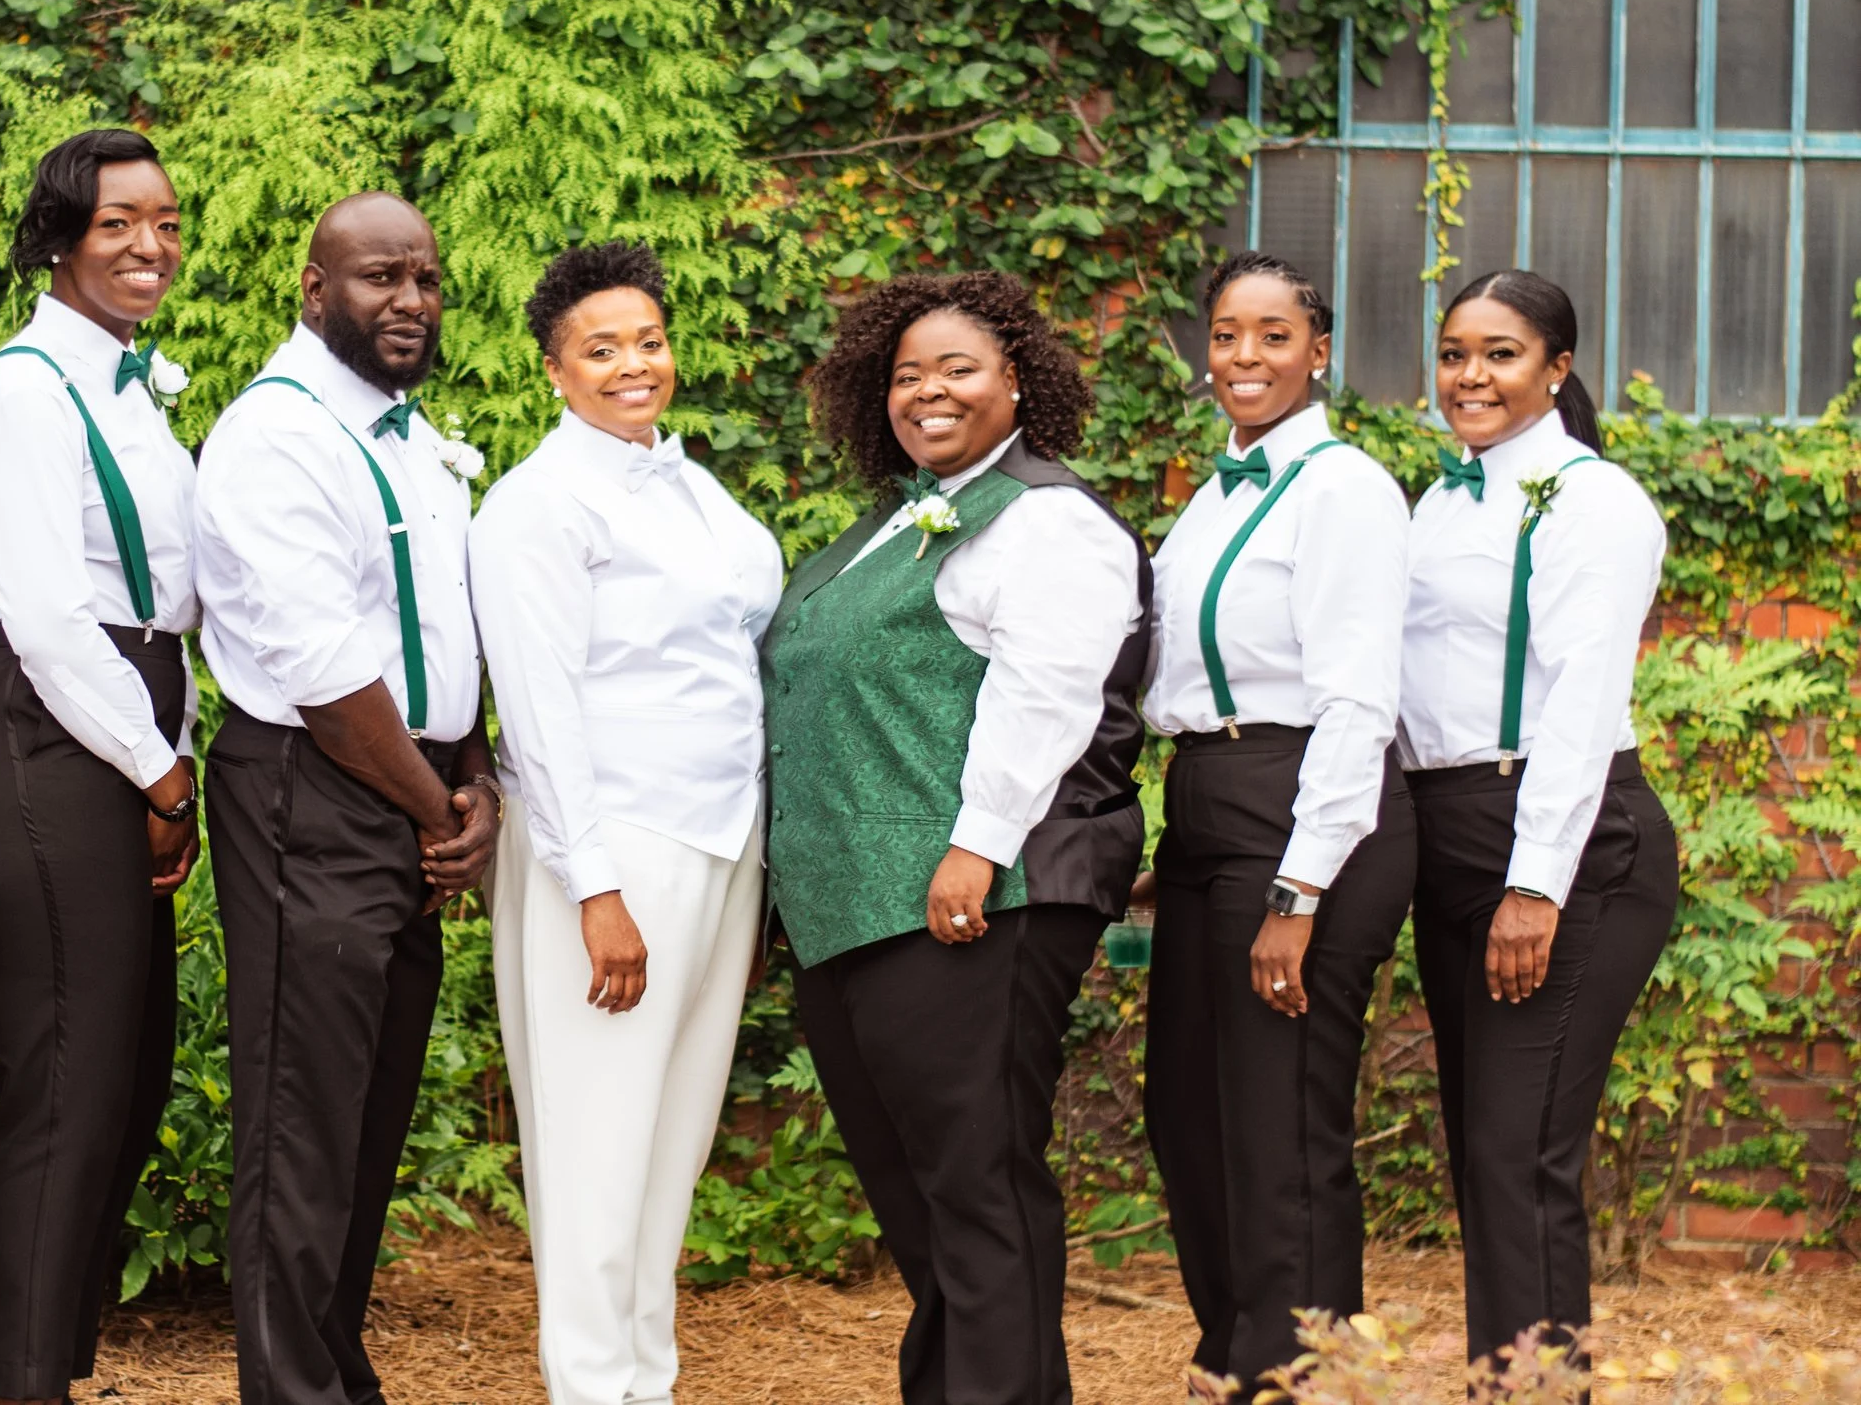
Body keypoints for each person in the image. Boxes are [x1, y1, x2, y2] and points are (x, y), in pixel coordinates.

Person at [762, 271, 1151, 1405]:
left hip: (970, 899)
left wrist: (975, 845)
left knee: (977, 1187)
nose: (926, 391)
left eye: (957, 368)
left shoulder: (1048, 517)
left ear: (1017, 378)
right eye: (904, 374)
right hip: (855, 905)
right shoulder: (894, 518)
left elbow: (1046, 690)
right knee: (918, 1192)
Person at [0, 130, 201, 1404]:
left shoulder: (129, 389)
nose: (149, 246)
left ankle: (50, 1366)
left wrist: (165, 758)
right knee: (70, 1074)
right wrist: (161, 771)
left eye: (166, 222)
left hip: (118, 734)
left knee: (125, 1081)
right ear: (61, 236)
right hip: (37, 732)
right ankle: (21, 1382)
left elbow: (173, 601)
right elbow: (46, 611)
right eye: (118, 223)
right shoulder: (22, 390)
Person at [193, 190, 499, 1405]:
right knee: (301, 1113)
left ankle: (332, 1365)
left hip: (409, 790)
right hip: (310, 793)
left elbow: (441, 634)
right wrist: (440, 809)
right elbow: (326, 672)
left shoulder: (405, 434)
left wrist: (470, 781)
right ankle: (290, 1386)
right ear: (315, 290)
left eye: (423, 276)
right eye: (380, 277)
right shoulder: (277, 434)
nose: (410, 300)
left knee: (367, 1109)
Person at [470, 242, 783, 1405]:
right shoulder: (538, 504)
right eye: (601, 349)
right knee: (598, 1143)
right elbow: (540, 711)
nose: (632, 363)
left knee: (671, 1141)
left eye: (646, 339)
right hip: (613, 842)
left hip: (717, 834)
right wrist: (593, 887)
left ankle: (644, 1379)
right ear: (555, 369)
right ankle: (595, 1384)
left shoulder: (687, 482)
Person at [1137, 251, 1415, 1384]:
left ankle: (1297, 1371)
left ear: (1318, 348)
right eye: (1224, 334)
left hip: (1307, 805)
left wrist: (1296, 890)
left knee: (1279, 1120)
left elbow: (1356, 698)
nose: (1243, 356)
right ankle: (1234, 1351)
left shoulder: (1344, 485)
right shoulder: (1217, 490)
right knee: (1183, 1106)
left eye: (1271, 334)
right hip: (1208, 800)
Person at [1401, 269, 1674, 1363]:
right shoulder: (1439, 499)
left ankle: (1533, 1392)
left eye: (1500, 352)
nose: (1470, 374)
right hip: (1450, 828)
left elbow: (1579, 701)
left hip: (1565, 837)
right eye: (1455, 351)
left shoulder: (1594, 500)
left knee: (1520, 1152)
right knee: (1485, 1154)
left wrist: (1533, 883)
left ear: (1556, 368)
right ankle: (1512, 1382)